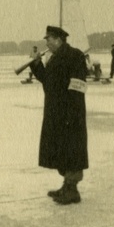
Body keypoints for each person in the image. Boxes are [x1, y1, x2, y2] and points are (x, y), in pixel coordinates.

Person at [28, 25, 89, 205]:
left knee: (72, 150)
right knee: (61, 149)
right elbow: (48, 82)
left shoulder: (75, 55)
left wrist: (72, 113)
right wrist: (36, 64)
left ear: (58, 39)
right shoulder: (53, 59)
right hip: (56, 113)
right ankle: (67, 186)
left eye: (48, 39)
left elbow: (78, 85)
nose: (46, 42)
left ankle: (72, 190)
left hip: (70, 113)